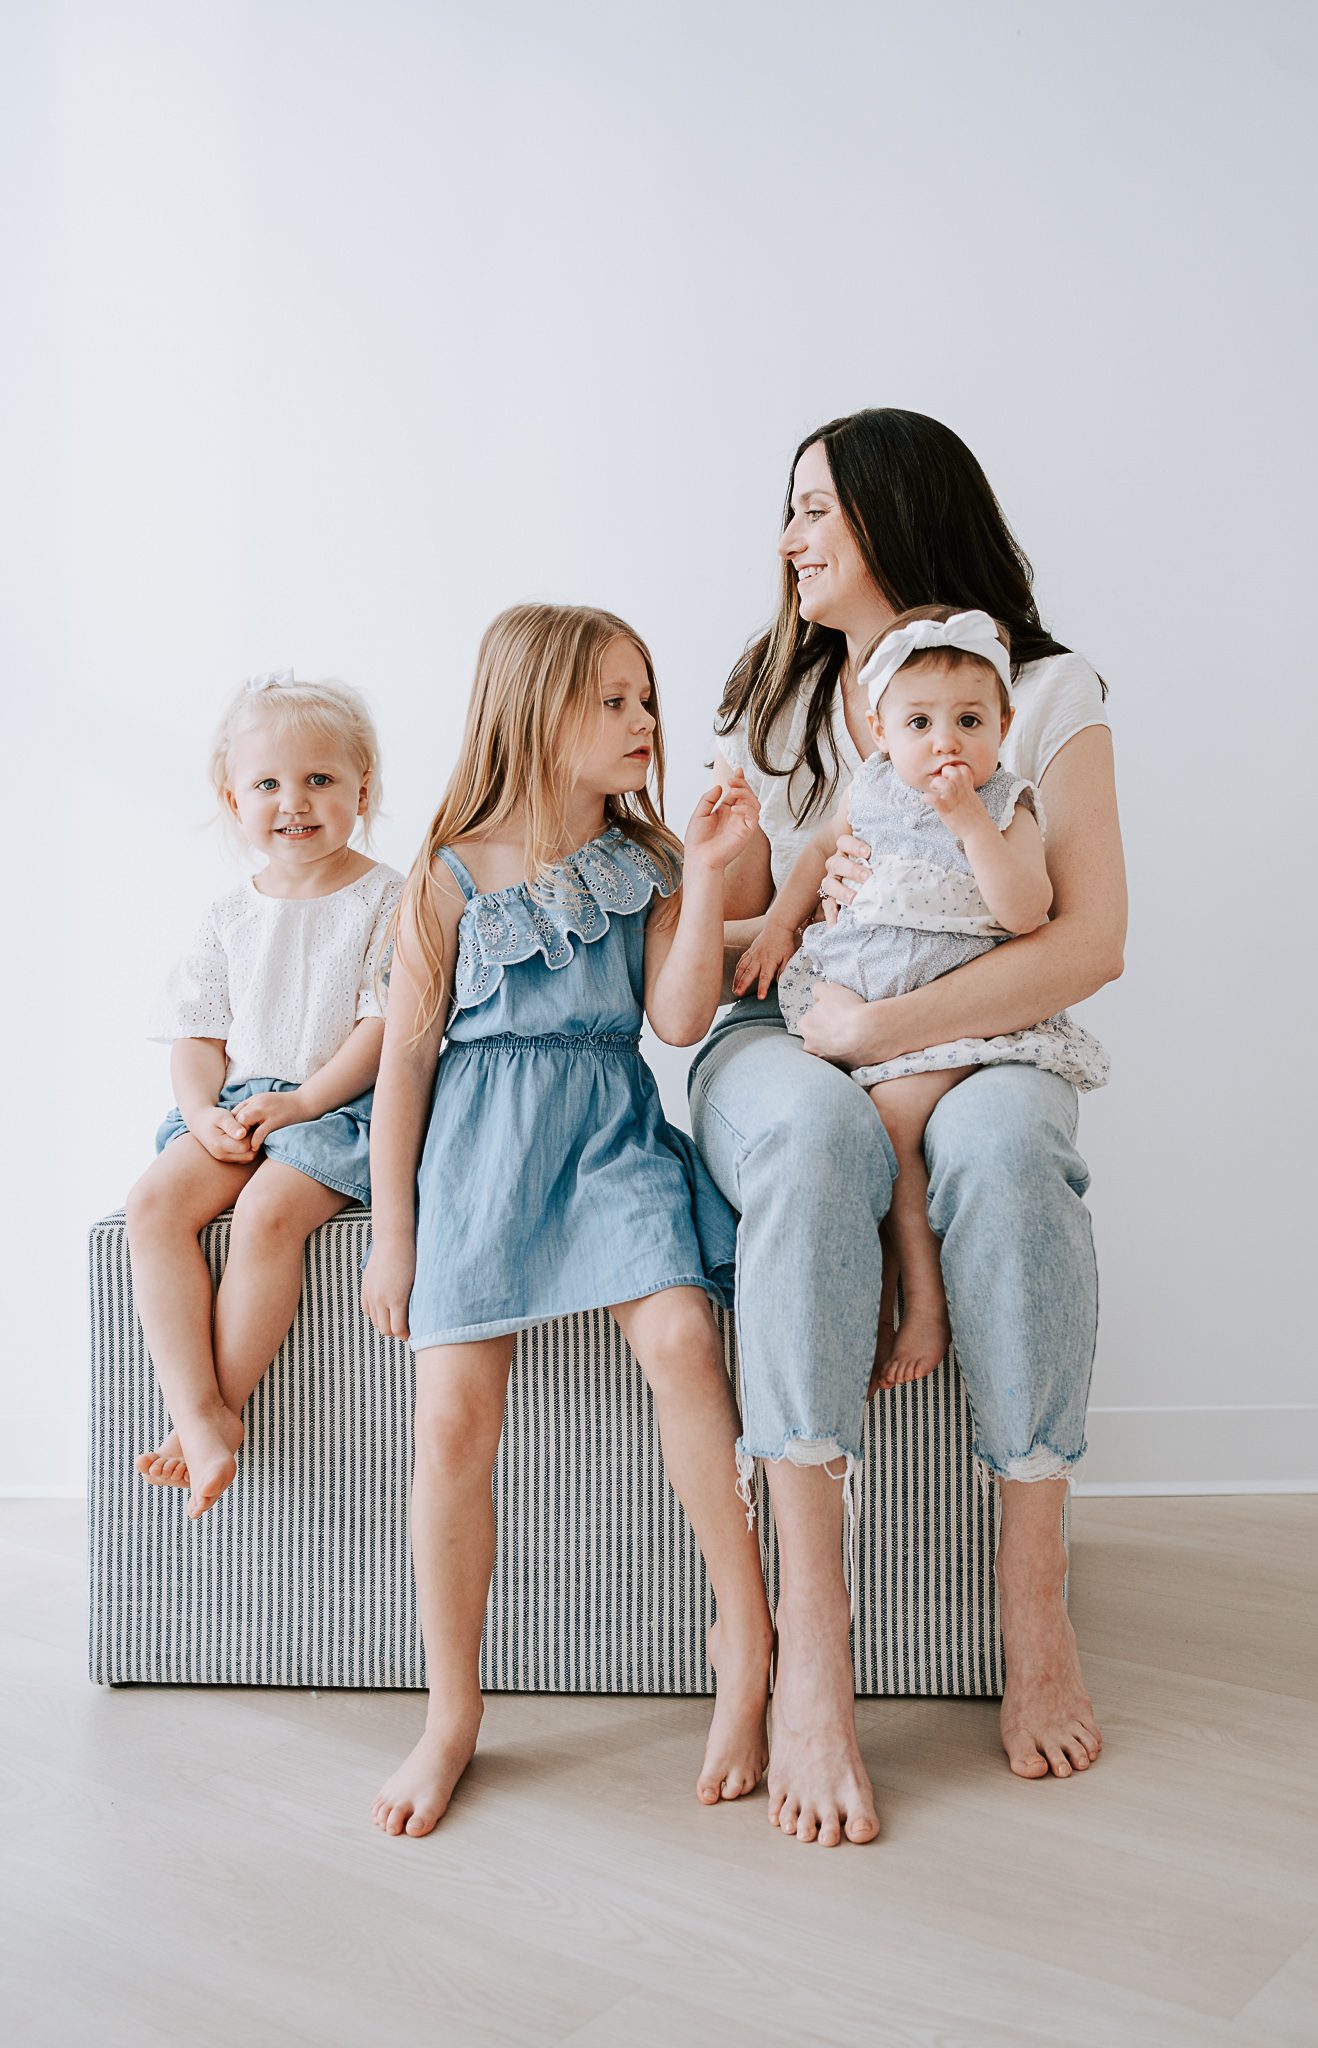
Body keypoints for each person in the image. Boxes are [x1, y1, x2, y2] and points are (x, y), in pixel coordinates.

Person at [691, 409, 1127, 1845]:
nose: (788, 538)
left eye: (814, 507)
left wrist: (884, 1035)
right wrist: (721, 885)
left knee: (1002, 1151)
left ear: (892, 508)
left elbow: (1082, 943)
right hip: (788, 1026)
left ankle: (1034, 1600)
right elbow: (740, 950)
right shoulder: (778, 698)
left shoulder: (1042, 693)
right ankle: (813, 1644)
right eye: (787, 510)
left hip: (964, 1015)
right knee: (817, 1146)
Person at [361, 603, 775, 1839]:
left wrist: (702, 880)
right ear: (536, 708)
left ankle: (745, 1633)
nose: (647, 721)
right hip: (480, 1158)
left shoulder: (644, 857)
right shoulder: (443, 871)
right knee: (451, 1425)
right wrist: (396, 1229)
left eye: (649, 696)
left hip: (606, 1132)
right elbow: (403, 1068)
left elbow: (683, 1015)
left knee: (682, 1343)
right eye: (616, 699)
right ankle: (451, 1708)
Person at [734, 603, 1107, 1385]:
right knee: (819, 1128)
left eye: (968, 720)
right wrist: (774, 930)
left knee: (890, 1125)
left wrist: (971, 825)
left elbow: (1025, 910)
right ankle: (853, 1292)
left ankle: (916, 1299)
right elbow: (812, 860)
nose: (945, 742)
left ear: (1002, 725)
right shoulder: (869, 788)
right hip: (845, 996)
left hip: (948, 1017)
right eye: (919, 723)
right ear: (879, 730)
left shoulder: (1008, 804)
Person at [127, 672, 404, 1520]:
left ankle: (222, 1408)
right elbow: (197, 1032)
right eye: (268, 784)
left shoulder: (385, 897)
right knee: (153, 1205)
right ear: (232, 798)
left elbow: (381, 1025)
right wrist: (205, 1110)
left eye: (320, 779)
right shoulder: (227, 913)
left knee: (268, 1215)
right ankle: (191, 1406)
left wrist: (307, 1101)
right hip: (240, 1099)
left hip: (338, 1105)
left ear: (364, 788)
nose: (295, 802)